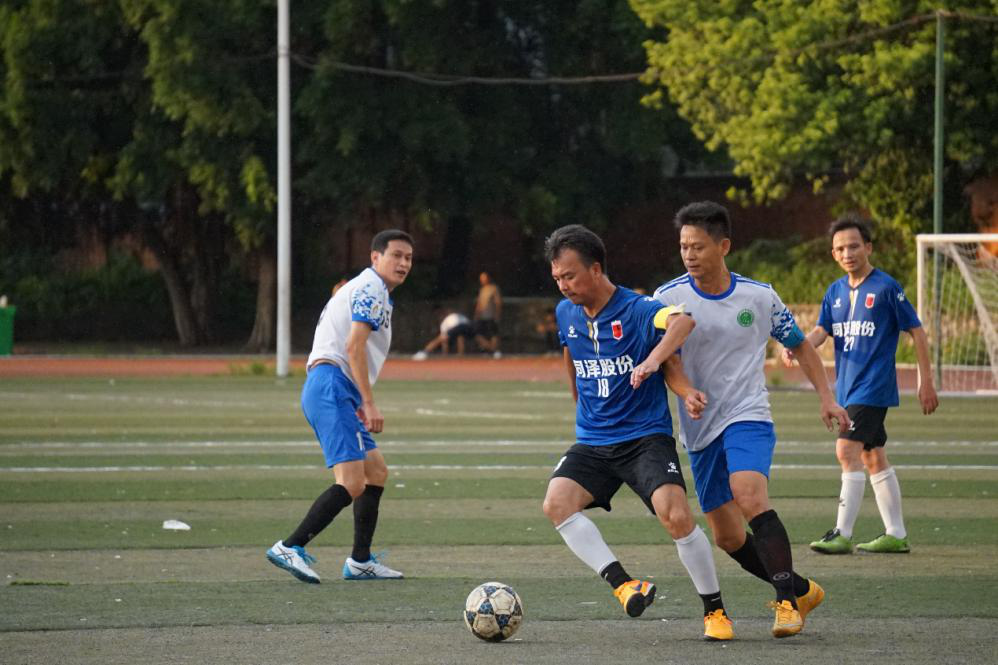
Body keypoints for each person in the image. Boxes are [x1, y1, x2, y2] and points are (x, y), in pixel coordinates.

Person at [649, 201, 848, 638]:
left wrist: (827, 398)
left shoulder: (758, 297)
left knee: (749, 493)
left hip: (748, 414)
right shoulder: (667, 299)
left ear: (724, 246)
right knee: (728, 537)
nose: (689, 255)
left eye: (698, 246)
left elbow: (800, 345)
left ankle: (786, 603)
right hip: (700, 428)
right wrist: (685, 392)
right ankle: (802, 589)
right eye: (683, 247)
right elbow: (667, 363)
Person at [541, 224, 735, 642]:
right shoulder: (566, 313)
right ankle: (624, 584)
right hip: (594, 440)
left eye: (569, 275)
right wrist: (579, 402)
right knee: (557, 503)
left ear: (596, 269)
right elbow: (571, 357)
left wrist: (654, 364)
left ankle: (715, 610)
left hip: (644, 437)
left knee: (676, 515)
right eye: (557, 278)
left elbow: (683, 322)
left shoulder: (640, 309)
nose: (563, 286)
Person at [782, 215, 938, 555]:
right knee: (873, 455)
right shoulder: (835, 292)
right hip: (847, 388)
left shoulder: (886, 287)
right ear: (833, 254)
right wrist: (798, 346)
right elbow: (821, 331)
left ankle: (842, 533)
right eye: (840, 249)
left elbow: (917, 331)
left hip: (873, 387)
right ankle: (896, 533)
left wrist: (926, 382)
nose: (847, 253)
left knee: (845, 451)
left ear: (868, 248)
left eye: (854, 246)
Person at [266, 229, 414, 583]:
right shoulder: (372, 288)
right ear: (375, 257)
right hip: (332, 386)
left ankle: (360, 561)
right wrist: (368, 402)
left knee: (375, 472)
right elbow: (354, 346)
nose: (404, 263)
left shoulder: (372, 289)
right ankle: (289, 546)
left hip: (336, 387)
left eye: (408, 258)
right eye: (396, 255)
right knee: (351, 482)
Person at [473, 271, 502, 358]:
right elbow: (479, 304)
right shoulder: (482, 290)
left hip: (491, 316)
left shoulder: (494, 288)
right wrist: (476, 315)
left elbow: (498, 303)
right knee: (478, 334)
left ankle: (494, 352)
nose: (482, 280)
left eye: (484, 278)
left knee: (493, 334)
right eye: (481, 279)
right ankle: (492, 350)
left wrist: (497, 315)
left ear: (488, 278)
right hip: (481, 317)